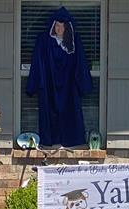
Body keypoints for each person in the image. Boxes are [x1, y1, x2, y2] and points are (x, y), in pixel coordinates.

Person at [26, 7, 92, 147]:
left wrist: (84, 85)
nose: (59, 29)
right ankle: (52, 141)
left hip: (69, 86)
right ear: (53, 25)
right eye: (57, 25)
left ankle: (70, 140)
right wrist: (34, 85)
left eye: (62, 26)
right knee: (49, 113)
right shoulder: (44, 42)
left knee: (70, 112)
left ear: (67, 27)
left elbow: (81, 64)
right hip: (49, 85)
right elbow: (37, 63)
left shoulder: (73, 43)